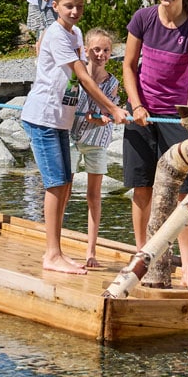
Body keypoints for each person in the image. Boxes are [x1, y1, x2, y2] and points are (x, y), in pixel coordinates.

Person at [20, 0, 127, 275]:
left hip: (61, 120)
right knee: (55, 184)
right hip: (43, 116)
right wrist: (112, 108)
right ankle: (51, 254)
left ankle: (57, 251)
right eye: (68, 6)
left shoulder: (77, 33)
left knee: (65, 184)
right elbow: (82, 76)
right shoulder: (56, 35)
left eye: (79, 6)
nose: (75, 11)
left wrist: (107, 107)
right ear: (55, 6)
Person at [122, 0, 188, 291]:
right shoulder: (142, 19)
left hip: (174, 117)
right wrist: (136, 105)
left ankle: (186, 269)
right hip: (142, 115)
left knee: (183, 194)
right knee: (142, 187)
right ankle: (140, 256)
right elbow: (129, 66)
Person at [69, 28, 119, 268]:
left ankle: (91, 252)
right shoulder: (75, 75)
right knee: (62, 190)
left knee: (94, 195)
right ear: (86, 50)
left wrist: (99, 117)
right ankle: (55, 243)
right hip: (70, 136)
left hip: (97, 140)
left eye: (106, 50)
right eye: (96, 49)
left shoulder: (112, 83)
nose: (101, 54)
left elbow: (106, 111)